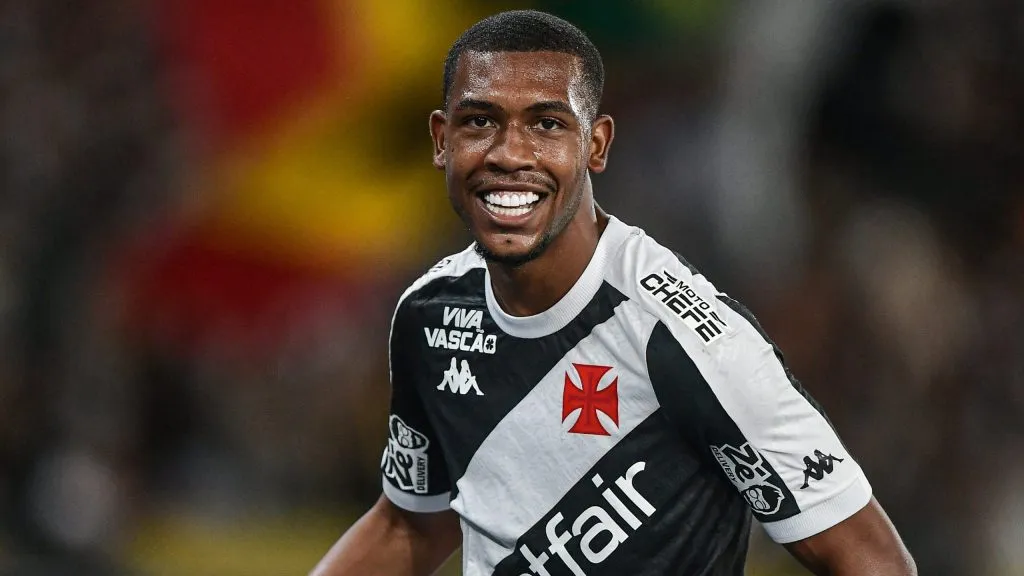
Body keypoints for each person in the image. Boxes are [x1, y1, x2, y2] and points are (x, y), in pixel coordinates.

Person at [312, 10, 916, 576]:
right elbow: (411, 524)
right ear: (442, 140)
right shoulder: (430, 314)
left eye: (547, 124)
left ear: (595, 145)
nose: (509, 153)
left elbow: (873, 560)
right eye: (479, 122)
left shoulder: (688, 341)